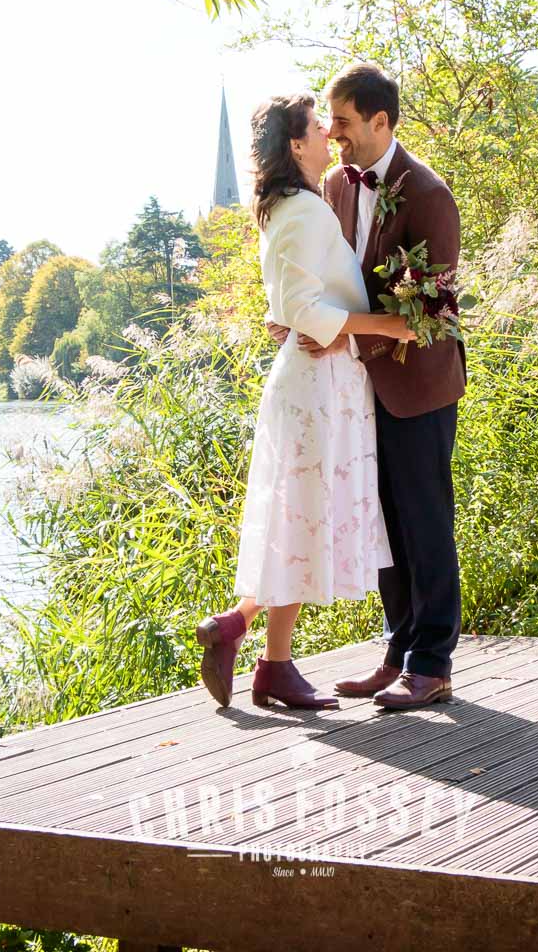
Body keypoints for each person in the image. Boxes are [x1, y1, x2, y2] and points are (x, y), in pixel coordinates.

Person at [194, 93, 415, 710]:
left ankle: (245, 633)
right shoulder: (304, 212)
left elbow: (293, 303)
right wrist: (387, 327)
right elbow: (303, 309)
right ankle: (274, 663)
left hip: (322, 384)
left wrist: (307, 322)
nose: (330, 135)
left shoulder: (296, 207)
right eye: (320, 127)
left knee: (300, 513)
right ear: (297, 146)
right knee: (299, 517)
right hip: (316, 390)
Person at [302, 61, 467, 711]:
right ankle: (398, 651)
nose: (334, 135)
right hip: (359, 386)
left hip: (419, 386)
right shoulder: (338, 187)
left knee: (425, 521)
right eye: (330, 124)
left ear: (380, 121)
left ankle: (433, 663)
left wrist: (346, 334)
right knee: (383, 523)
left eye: (343, 123)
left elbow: (433, 316)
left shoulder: (427, 193)